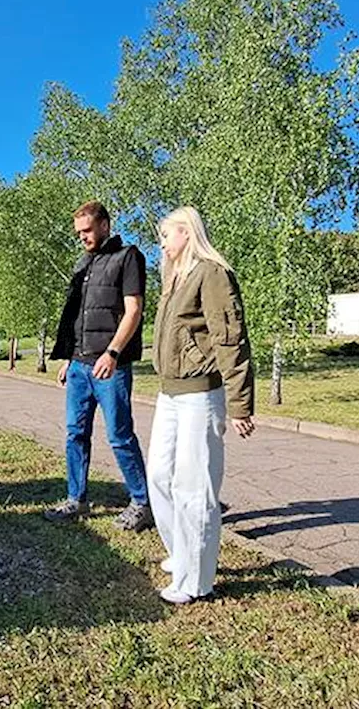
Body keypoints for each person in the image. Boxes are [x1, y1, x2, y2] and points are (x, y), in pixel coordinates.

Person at [147, 206, 256, 605]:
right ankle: (183, 554)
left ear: (187, 233)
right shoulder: (174, 278)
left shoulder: (212, 273)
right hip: (169, 391)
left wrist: (240, 403)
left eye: (166, 234)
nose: (162, 241)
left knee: (195, 487)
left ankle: (196, 582)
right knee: (159, 475)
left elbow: (231, 339)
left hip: (200, 394)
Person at [44, 200, 152, 531]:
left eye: (88, 230)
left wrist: (113, 353)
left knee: (120, 436)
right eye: (79, 233)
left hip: (110, 367)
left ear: (105, 224)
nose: (83, 238)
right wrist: (69, 358)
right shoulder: (84, 263)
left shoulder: (128, 256)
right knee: (75, 434)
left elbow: (134, 310)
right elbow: (78, 316)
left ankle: (142, 503)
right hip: (79, 366)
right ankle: (76, 500)